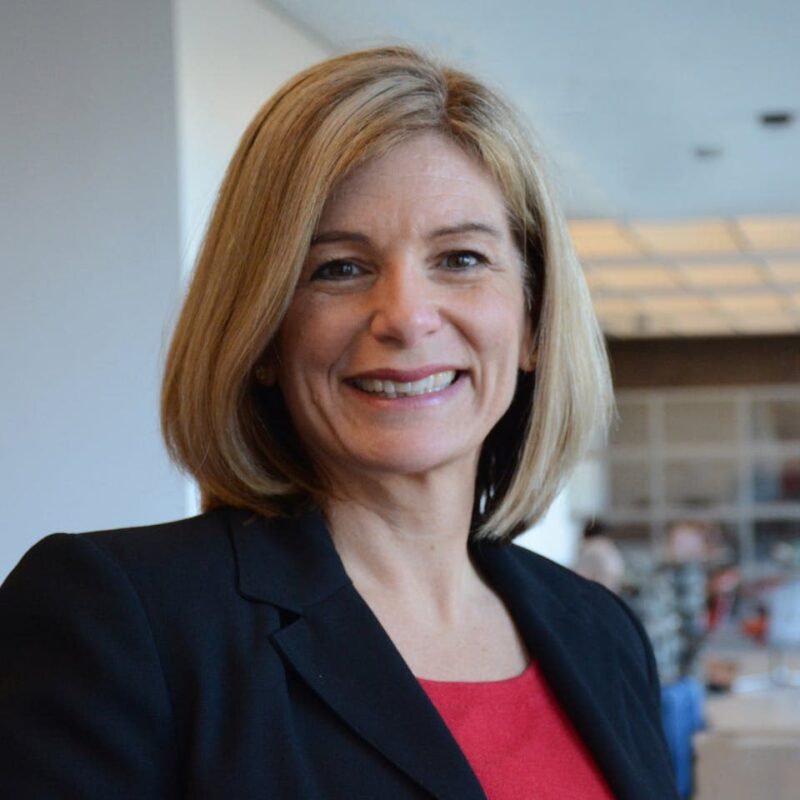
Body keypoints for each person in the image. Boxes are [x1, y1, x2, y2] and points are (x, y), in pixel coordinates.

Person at [0, 47, 677, 799]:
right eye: (339, 269)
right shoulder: (122, 621)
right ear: (261, 332)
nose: (407, 317)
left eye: (459, 258)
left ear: (532, 322)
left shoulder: (602, 632)